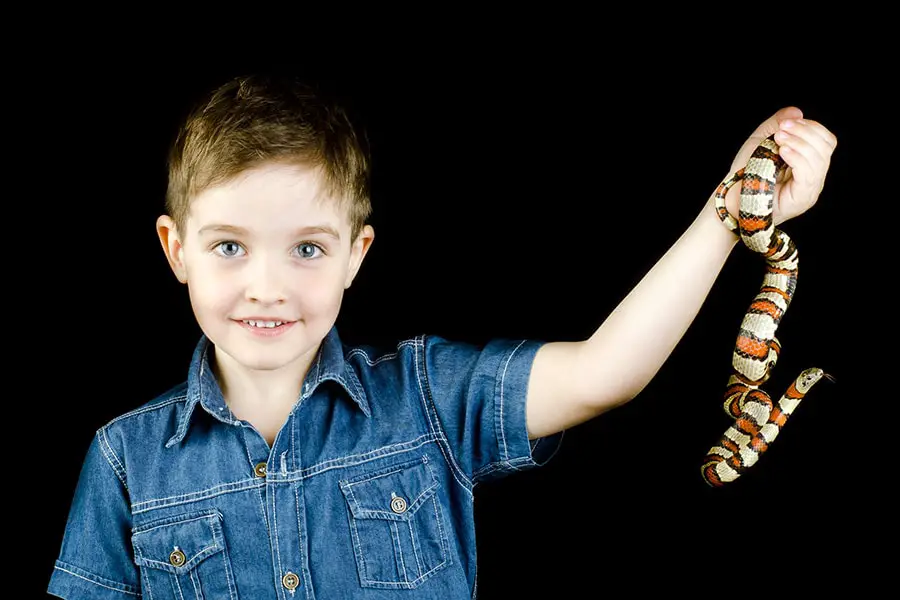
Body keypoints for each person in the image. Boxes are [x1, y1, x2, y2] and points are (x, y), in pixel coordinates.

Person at [47, 73, 836, 599]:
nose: (267, 286)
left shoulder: (426, 396)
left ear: (356, 257)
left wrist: (732, 209)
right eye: (229, 246)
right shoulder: (126, 462)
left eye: (308, 248)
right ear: (174, 250)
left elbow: (605, 372)